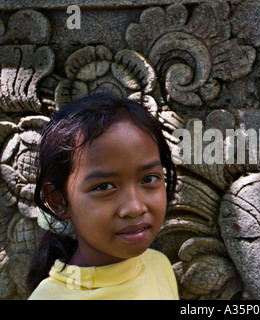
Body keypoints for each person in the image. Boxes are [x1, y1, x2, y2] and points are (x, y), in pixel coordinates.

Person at [27, 92, 179, 299]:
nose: (135, 207)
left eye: (148, 179)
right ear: (59, 201)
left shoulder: (158, 265)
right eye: (104, 186)